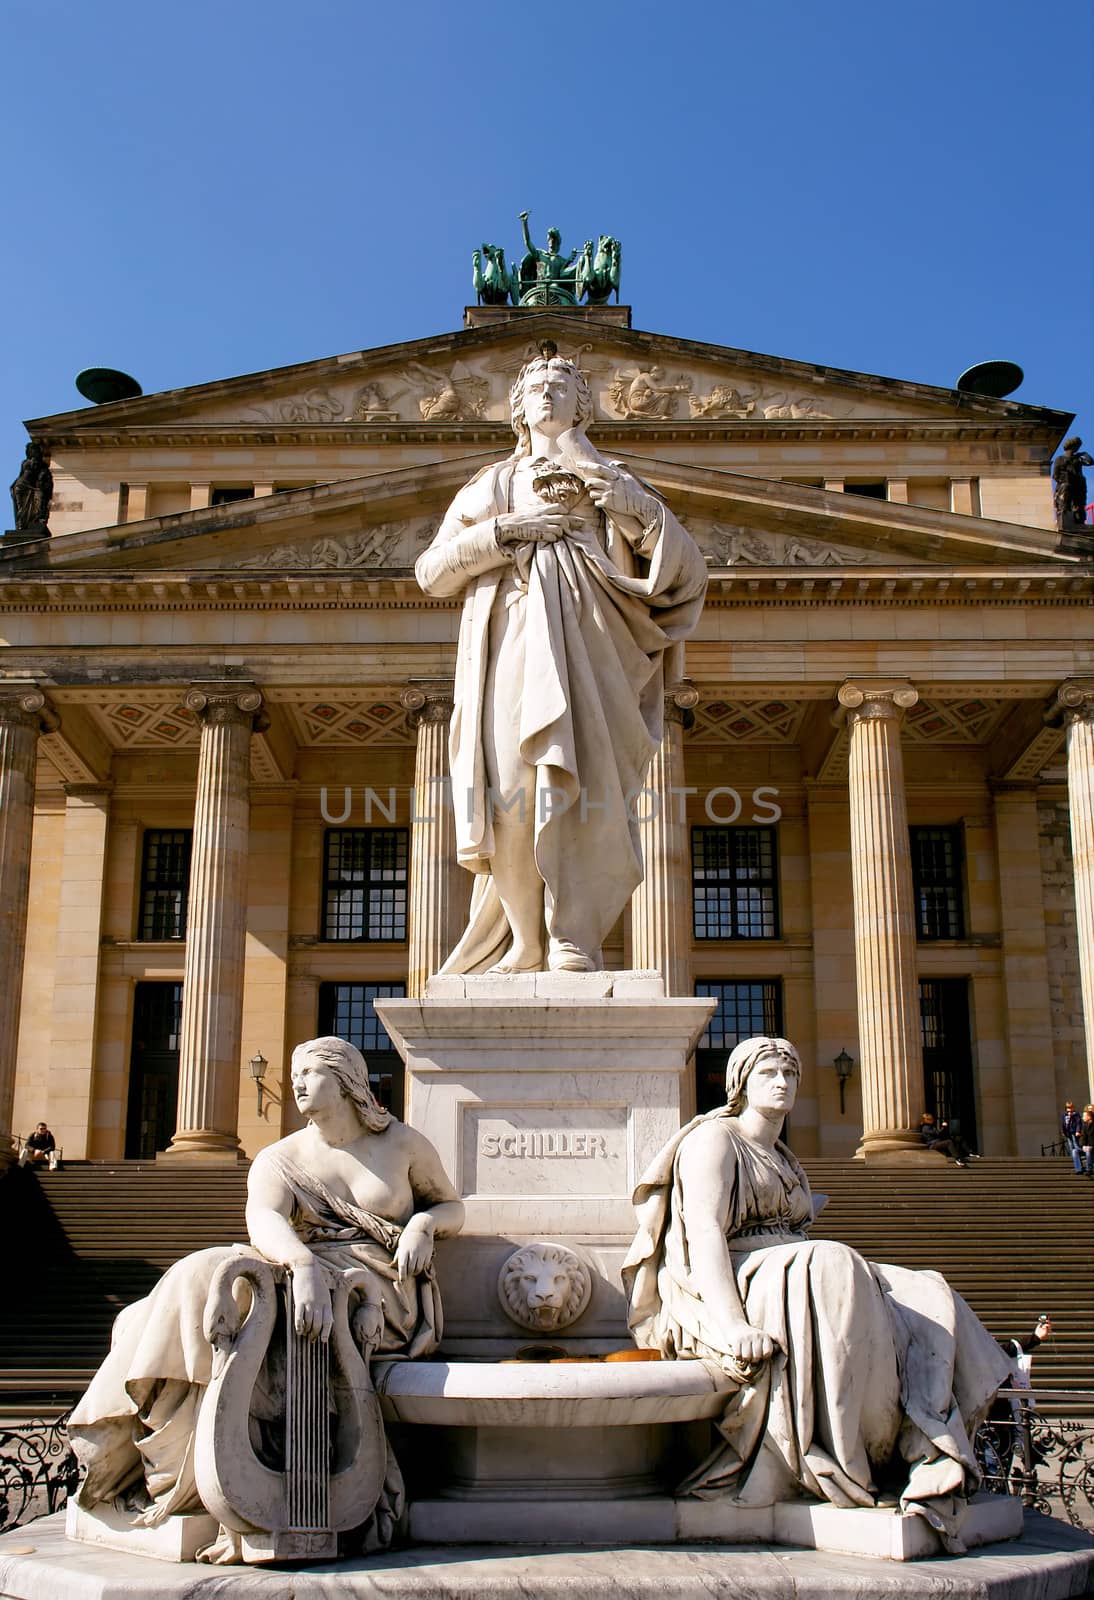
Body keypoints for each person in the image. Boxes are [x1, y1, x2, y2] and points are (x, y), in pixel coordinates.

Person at [68, 1036, 464, 1555]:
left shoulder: (403, 1144)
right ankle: (163, 1458)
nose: (295, 1082)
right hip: (299, 1270)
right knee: (205, 1275)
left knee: (224, 1287)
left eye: (308, 1072)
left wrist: (423, 1227)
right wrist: (300, 1263)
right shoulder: (281, 1157)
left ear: (346, 1080)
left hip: (377, 1291)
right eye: (293, 1072)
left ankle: (182, 1462)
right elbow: (265, 1218)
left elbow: (451, 1207)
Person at [623, 1037, 1012, 1549]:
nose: (782, 1083)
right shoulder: (715, 1141)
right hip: (737, 1278)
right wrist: (733, 1325)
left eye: (790, 1074)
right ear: (739, 1082)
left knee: (925, 1290)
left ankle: (927, 1444)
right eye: (769, 1074)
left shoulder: (783, 1156)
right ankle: (846, 1459)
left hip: (792, 1267)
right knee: (831, 1260)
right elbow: (704, 1236)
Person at [415, 345, 707, 975]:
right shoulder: (493, 485)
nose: (549, 394)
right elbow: (432, 572)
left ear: (584, 404)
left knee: (585, 795)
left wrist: (626, 504)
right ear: (517, 406)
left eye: (563, 385)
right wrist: (508, 531)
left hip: (600, 647)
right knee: (513, 792)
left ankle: (575, 935)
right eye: (537, 386)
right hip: (515, 638)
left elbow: (685, 572)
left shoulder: (617, 480)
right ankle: (524, 939)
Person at [1062, 1098, 1083, 1171]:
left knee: (1076, 1147)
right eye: (1068, 1107)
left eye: (1070, 1107)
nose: (1069, 1109)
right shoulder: (1064, 1115)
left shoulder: (1075, 1114)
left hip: (1074, 1132)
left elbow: (1078, 1123)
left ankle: (1084, 1152)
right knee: (1071, 1147)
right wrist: (1064, 1132)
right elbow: (1063, 1124)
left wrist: (1078, 1131)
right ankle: (1075, 1162)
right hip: (1068, 1133)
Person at [1079, 1106, 1094, 1177]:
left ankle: (1089, 1169)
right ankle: (1079, 1169)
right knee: (1074, 1151)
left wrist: (1089, 1146)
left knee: (1088, 1150)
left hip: (1092, 1146)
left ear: (1089, 1117)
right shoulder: (1084, 1125)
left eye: (1084, 1116)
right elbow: (1083, 1137)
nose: (1082, 1117)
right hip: (1087, 1146)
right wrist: (1083, 1145)